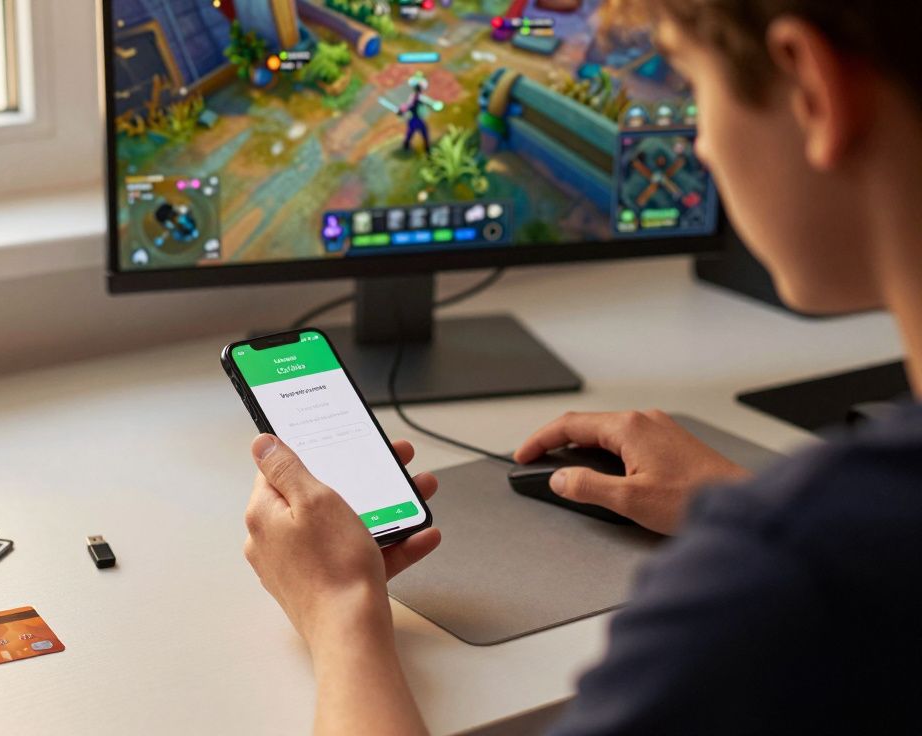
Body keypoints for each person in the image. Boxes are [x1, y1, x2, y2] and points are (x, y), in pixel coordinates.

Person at [241, 1, 922, 733]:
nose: (700, 149)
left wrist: (339, 608)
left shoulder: (771, 600)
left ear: (812, 90)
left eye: (695, 88)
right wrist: (734, 497)